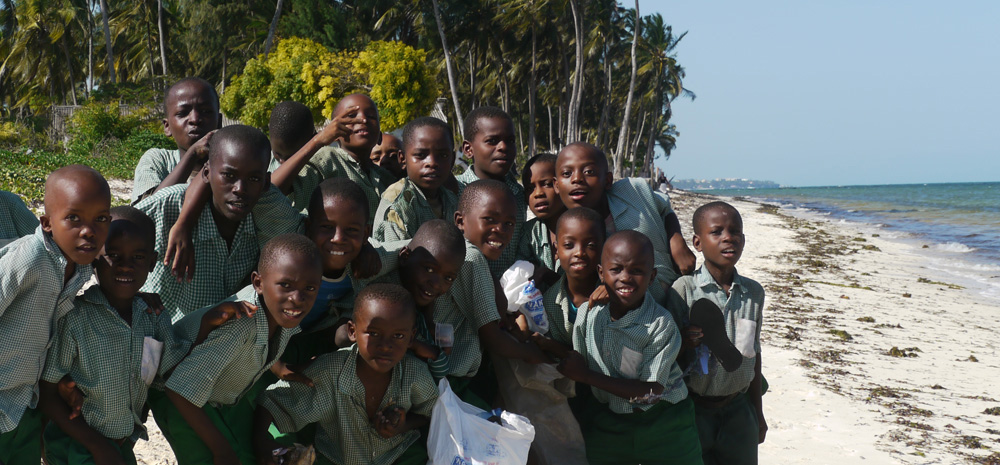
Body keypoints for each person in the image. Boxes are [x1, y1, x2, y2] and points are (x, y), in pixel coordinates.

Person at [38, 206, 239, 464]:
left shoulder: (154, 317)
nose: (125, 267)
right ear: (95, 257)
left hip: (120, 444)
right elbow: (48, 392)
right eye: (114, 255)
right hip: (77, 444)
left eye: (138, 257)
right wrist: (98, 446)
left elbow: (172, 367)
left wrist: (208, 323)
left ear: (153, 262)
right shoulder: (76, 318)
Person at [157, 234, 323, 465]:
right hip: (178, 399)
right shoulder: (240, 326)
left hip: (214, 394)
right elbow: (178, 390)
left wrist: (277, 366)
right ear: (258, 283)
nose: (298, 298)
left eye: (310, 288)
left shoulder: (281, 315)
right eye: (286, 285)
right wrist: (221, 451)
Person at [254, 283, 438, 465]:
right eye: (373, 333)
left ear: (411, 338)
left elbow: (432, 412)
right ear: (352, 331)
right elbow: (272, 403)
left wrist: (402, 426)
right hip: (336, 457)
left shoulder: (414, 374)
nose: (385, 345)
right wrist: (262, 442)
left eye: (398, 336)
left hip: (399, 453)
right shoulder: (329, 372)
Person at [0, 165, 111, 465]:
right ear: (47, 223)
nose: (89, 230)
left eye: (100, 219)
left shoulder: (79, 268)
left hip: (24, 403)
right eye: (74, 218)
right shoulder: (29, 259)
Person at [560, 230, 702, 465]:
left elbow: (652, 392)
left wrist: (586, 376)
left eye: (637, 271)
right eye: (616, 269)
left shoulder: (660, 324)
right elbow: (577, 364)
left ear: (652, 276)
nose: (625, 277)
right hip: (609, 421)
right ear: (600, 272)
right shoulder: (589, 315)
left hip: (666, 422)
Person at [136, 125, 302, 322]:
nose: (240, 188)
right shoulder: (168, 206)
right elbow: (109, 239)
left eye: (254, 178)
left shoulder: (267, 212)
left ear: (265, 183)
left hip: (220, 341)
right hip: (156, 337)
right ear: (206, 173)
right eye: (229, 176)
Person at [433, 179, 550, 408]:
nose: (501, 230)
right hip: (450, 380)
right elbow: (492, 337)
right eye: (490, 220)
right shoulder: (471, 258)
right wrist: (533, 355)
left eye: (509, 224)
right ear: (460, 221)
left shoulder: (473, 258)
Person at [668, 201, 766, 464]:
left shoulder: (753, 293)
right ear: (698, 243)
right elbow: (667, 356)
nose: (728, 238)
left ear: (743, 240)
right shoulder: (684, 289)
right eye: (717, 232)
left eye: (735, 232)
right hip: (694, 409)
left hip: (738, 409)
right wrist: (685, 342)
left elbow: (754, 355)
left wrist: (757, 411)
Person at [553, 142, 696, 303]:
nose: (577, 179)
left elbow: (665, 208)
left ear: (607, 180)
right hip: (643, 313)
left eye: (589, 172)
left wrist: (676, 240)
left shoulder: (632, 190)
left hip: (682, 291)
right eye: (567, 173)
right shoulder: (568, 231)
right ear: (556, 185)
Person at [270, 93, 393, 225]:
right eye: (351, 116)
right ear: (334, 133)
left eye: (371, 116)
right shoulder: (327, 159)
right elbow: (271, 190)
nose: (363, 119)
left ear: (380, 136)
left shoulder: (385, 178)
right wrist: (318, 140)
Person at [390, 219, 466, 380]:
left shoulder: (421, 315)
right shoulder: (385, 302)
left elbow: (441, 371)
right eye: (429, 269)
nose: (436, 285)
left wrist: (434, 353)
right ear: (404, 257)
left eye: (448, 278)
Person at [455, 106, 526, 278]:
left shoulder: (520, 193)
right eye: (492, 141)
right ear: (468, 149)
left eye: (510, 141)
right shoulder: (456, 191)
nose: (503, 147)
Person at [131, 77, 221, 203]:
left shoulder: (230, 164)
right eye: (183, 113)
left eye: (206, 111)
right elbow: (148, 210)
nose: (195, 119)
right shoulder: (158, 160)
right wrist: (193, 154)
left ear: (219, 121)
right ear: (167, 127)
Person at [373, 117, 458, 243]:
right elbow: (398, 256)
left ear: (452, 160)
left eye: (443, 156)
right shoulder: (399, 202)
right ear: (402, 159)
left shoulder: (450, 198)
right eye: (421, 155)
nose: (432, 163)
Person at [532, 207, 604, 352]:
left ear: (604, 248)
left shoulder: (613, 296)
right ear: (557, 250)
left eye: (590, 245)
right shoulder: (549, 303)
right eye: (569, 245)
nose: (579, 253)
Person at [516, 153, 565, 291]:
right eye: (530, 189)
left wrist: (545, 274)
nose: (538, 193)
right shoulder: (528, 233)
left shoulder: (583, 226)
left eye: (547, 184)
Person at [268, 100, 316, 166]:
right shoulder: (263, 164)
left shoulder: (321, 166)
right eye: (277, 154)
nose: (282, 162)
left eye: (291, 157)